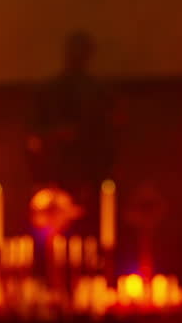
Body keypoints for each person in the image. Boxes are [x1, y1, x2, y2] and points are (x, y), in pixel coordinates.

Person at [26, 31, 119, 236]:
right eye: (73, 51)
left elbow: (106, 135)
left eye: (81, 52)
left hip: (88, 172)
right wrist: (55, 135)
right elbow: (34, 133)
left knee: (87, 231)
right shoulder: (49, 92)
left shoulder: (99, 93)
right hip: (52, 173)